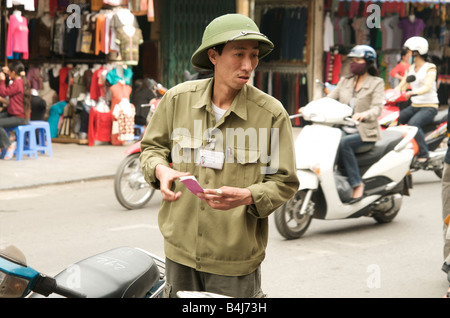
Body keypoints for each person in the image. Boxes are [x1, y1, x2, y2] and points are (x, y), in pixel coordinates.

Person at [140, 13, 299, 298]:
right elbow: (152, 149)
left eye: (253, 55)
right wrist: (160, 170)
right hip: (179, 253)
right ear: (213, 55)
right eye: (238, 54)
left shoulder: (272, 114)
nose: (248, 65)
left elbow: (284, 182)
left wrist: (248, 195)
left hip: (234, 261)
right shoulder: (177, 100)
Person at [326, 45, 384, 201]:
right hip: (344, 127)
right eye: (352, 60)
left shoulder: (376, 82)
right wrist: (311, 107)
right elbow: (329, 99)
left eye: (358, 60)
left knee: (344, 143)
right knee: (328, 141)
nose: (353, 63)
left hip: (365, 131)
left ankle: (357, 183)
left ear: (368, 63)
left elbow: (377, 108)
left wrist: (364, 114)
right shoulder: (345, 81)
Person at [395, 36, 439, 165]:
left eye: (408, 51)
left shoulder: (430, 68)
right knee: (395, 120)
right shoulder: (410, 68)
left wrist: (413, 92)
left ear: (417, 52)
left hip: (429, 106)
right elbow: (401, 86)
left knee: (413, 124)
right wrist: (388, 95)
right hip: (415, 105)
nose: (407, 54)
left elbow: (427, 86)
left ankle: (424, 154)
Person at [0, 61, 31, 160]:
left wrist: (2, 80)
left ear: (13, 72)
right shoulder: (23, 81)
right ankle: (2, 145)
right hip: (16, 114)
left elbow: (4, 92)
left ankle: (9, 144)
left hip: (20, 117)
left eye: (9, 72)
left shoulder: (17, 83)